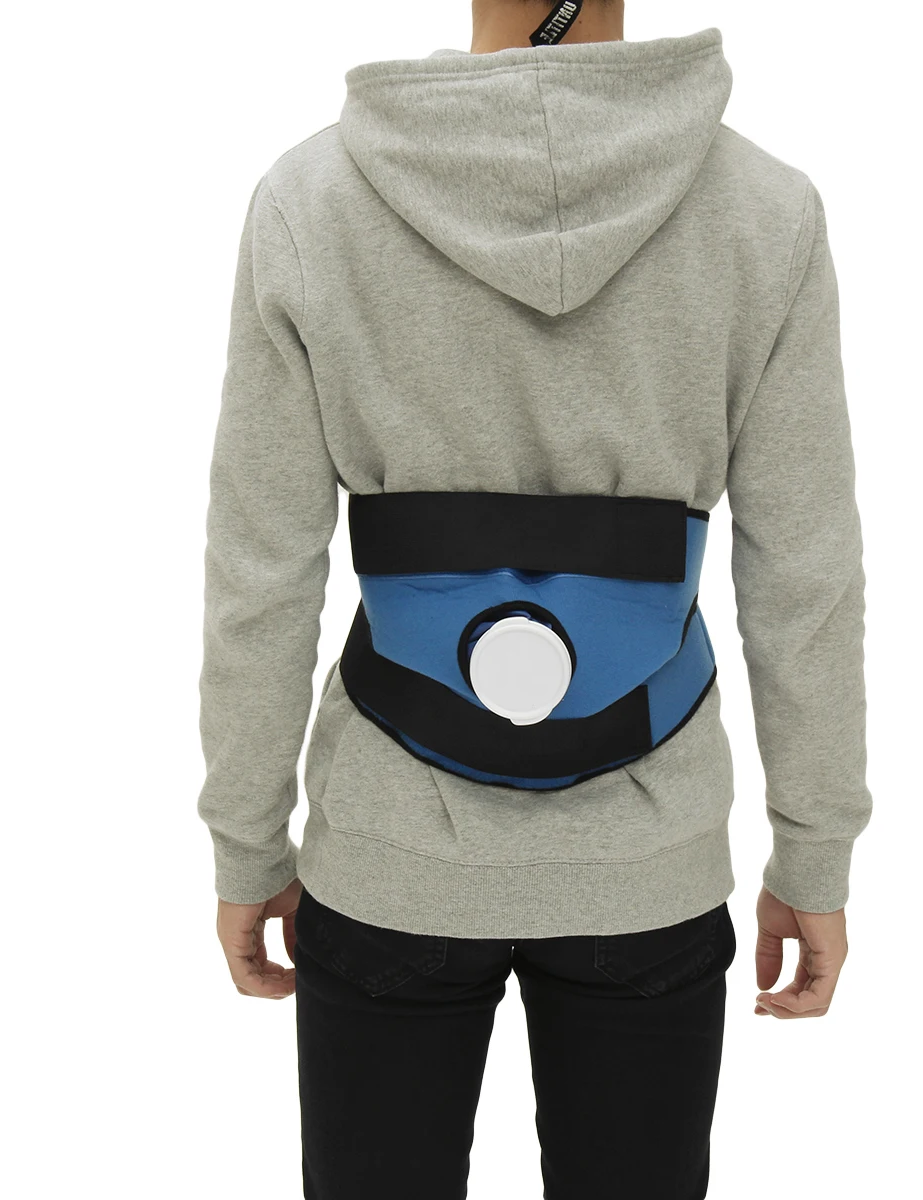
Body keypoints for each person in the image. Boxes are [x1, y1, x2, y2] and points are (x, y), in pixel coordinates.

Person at [197, 2, 873, 1196]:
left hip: (391, 856)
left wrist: (248, 842)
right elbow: (803, 574)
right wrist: (813, 855)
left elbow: (262, 571)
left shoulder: (313, 202)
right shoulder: (765, 213)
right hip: (648, 858)